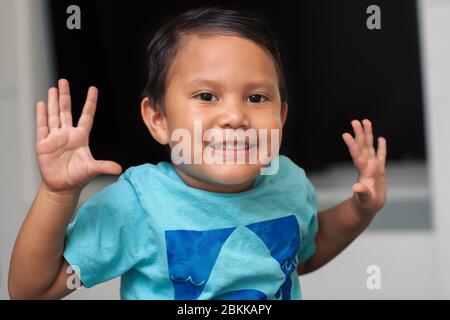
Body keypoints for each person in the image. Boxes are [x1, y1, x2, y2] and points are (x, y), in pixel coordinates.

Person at [8, 7, 387, 300]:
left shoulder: (288, 181)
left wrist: (359, 211)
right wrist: (56, 194)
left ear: (281, 117)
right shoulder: (139, 203)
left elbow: (303, 255)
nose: (235, 116)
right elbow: (33, 290)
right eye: (206, 96)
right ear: (157, 119)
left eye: (256, 98)